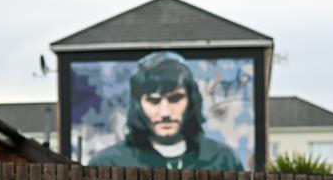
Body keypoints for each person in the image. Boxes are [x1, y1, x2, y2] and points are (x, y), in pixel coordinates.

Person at [90, 51, 243, 170]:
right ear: (138, 104)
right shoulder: (108, 163)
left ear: (191, 100)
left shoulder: (223, 159)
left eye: (175, 99)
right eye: (154, 101)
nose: (165, 113)